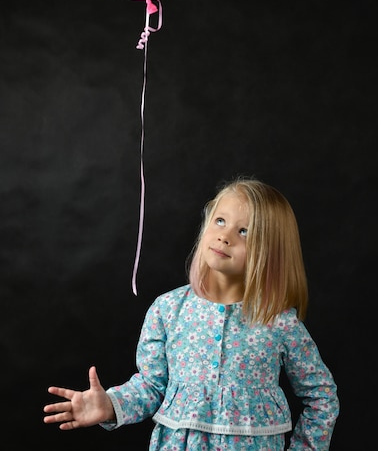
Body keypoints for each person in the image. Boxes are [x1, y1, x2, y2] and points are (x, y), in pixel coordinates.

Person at [43, 176, 339, 450]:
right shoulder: (168, 310)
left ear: (271, 250)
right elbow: (151, 386)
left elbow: (322, 397)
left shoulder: (278, 321)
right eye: (220, 221)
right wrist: (109, 405)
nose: (225, 237)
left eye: (244, 231)